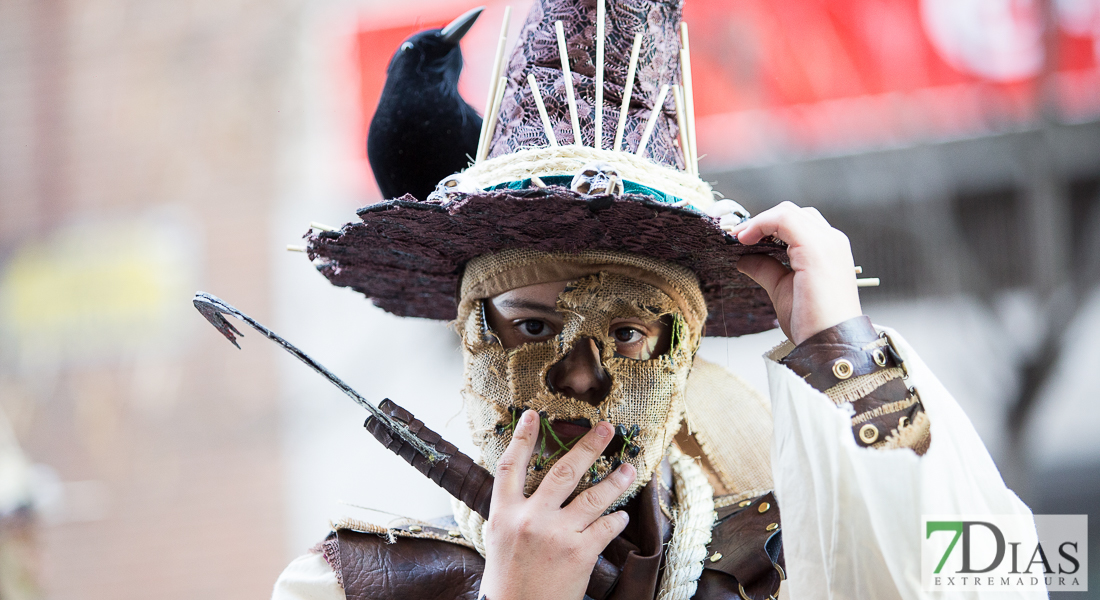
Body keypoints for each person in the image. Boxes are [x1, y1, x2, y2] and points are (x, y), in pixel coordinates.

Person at [272, 0, 1041, 598]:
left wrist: (843, 347)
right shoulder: (352, 585)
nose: (580, 378)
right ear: (472, 334)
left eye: (632, 333)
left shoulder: (802, 552)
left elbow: (986, 575)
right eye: (532, 325)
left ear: (686, 352)